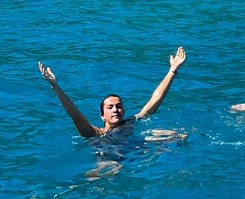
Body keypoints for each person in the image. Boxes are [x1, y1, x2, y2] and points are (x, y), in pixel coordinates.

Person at [38, 46, 186, 138]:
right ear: (102, 116)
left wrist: (173, 70)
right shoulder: (96, 134)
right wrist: (55, 86)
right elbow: (75, 115)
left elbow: (153, 103)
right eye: (110, 107)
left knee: (176, 135)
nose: (115, 109)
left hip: (135, 149)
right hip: (109, 156)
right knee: (110, 168)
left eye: (119, 106)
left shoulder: (130, 122)